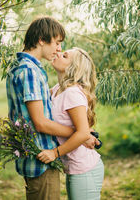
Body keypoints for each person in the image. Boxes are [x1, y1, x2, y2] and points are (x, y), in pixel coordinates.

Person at [6, 17, 98, 200]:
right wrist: (81, 134)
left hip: (38, 159)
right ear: (41, 40)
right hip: (41, 159)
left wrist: (82, 132)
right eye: (56, 42)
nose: (58, 49)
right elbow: (40, 122)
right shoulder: (30, 72)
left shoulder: (21, 67)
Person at [37, 47, 104, 200]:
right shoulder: (57, 89)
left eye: (65, 56)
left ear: (73, 68)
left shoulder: (72, 93)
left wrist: (54, 153)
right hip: (75, 167)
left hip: (84, 168)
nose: (58, 53)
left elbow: (82, 133)